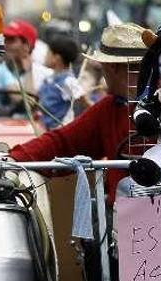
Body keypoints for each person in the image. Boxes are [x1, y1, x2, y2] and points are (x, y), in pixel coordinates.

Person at [9, 23, 149, 195]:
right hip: (137, 211)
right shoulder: (109, 108)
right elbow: (62, 141)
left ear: (112, 67)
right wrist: (14, 158)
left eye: (103, 65)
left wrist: (13, 159)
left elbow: (62, 141)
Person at [39, 35, 83, 129]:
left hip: (57, 130)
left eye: (48, 53)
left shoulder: (68, 81)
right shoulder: (49, 78)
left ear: (56, 58)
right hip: (44, 128)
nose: (45, 56)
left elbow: (82, 98)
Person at [5, 19, 53, 94]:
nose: (5, 44)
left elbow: (31, 102)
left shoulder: (46, 76)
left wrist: (28, 71)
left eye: (11, 40)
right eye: (4, 39)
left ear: (26, 46)